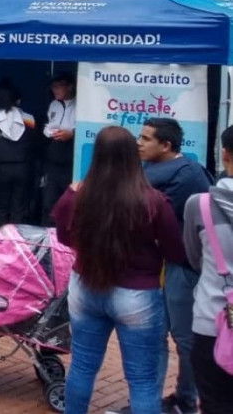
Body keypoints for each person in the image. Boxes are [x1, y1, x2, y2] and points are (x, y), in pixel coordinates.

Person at [51, 126, 186, 414]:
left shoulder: (75, 196)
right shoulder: (153, 202)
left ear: (96, 156)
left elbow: (63, 238)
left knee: (82, 367)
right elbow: (174, 251)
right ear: (131, 158)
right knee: (143, 381)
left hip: (85, 287)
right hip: (137, 295)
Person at [139, 117, 212, 414]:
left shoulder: (187, 175)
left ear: (166, 145)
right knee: (156, 335)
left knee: (184, 338)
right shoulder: (150, 170)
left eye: (145, 138)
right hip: (160, 266)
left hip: (183, 268)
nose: (139, 143)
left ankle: (187, 399)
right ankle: (150, 403)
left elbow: (151, 218)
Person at [182, 125, 233, 412]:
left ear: (224, 154)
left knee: (215, 403)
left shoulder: (199, 205)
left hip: (213, 322)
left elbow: (194, 257)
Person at [0, 83, 38, 228]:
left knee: (0, 207)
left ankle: (2, 240)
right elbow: (37, 145)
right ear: (18, 100)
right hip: (24, 169)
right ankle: (16, 241)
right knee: (19, 207)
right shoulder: (29, 120)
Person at [41, 72, 76, 225]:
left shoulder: (80, 105)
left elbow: (86, 129)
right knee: (49, 202)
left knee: (69, 201)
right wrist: (48, 131)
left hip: (71, 159)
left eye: (58, 86)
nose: (55, 90)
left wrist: (72, 133)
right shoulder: (53, 104)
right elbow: (49, 124)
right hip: (54, 158)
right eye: (53, 87)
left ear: (70, 87)